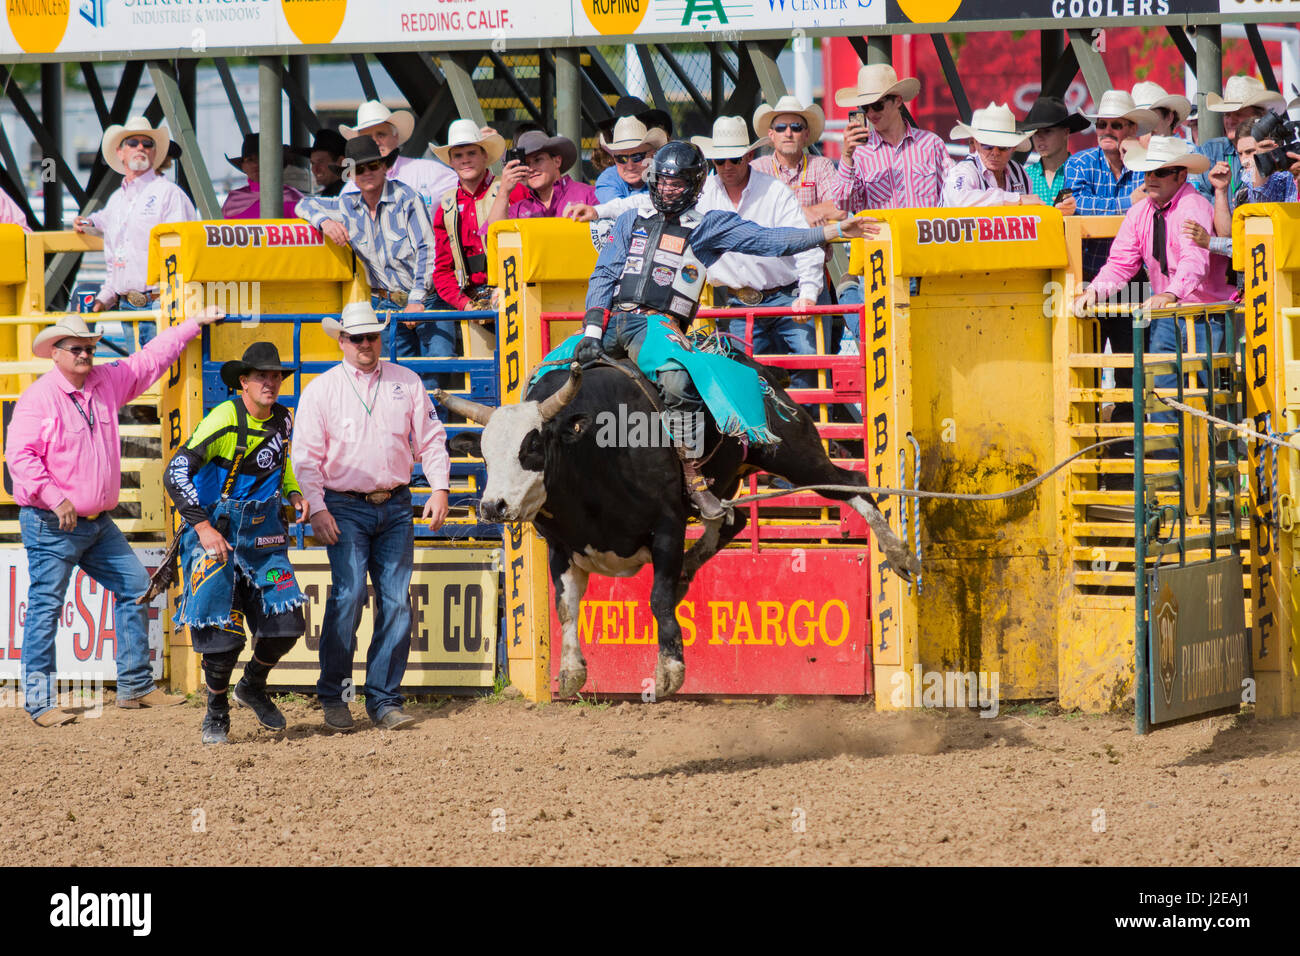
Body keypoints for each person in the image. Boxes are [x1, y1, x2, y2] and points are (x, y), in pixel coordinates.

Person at [572, 141, 879, 519]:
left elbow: (772, 240)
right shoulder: (628, 220)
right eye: (663, 181)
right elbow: (605, 272)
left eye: (678, 183)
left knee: (675, 382)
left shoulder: (709, 226)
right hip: (612, 319)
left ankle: (693, 478)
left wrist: (832, 232)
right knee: (552, 374)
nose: (668, 189)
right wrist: (590, 329)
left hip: (657, 326)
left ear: (695, 186)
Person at [5, 308, 225, 726]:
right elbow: (21, 458)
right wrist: (56, 497)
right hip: (54, 521)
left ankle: (135, 685)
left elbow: (149, 361)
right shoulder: (38, 399)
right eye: (78, 348)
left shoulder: (103, 382)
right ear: (56, 353)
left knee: (136, 587)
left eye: (90, 346)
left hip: (93, 522)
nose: (87, 353)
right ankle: (39, 702)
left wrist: (190, 325)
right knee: (46, 607)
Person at [292, 302, 450, 731]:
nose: (365, 344)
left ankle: (383, 699)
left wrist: (439, 486)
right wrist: (318, 506)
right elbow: (305, 457)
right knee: (349, 599)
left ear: (380, 338)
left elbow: (432, 438)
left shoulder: (407, 382)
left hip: (396, 502)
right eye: (357, 338)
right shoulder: (322, 391)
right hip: (344, 505)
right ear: (342, 341)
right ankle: (337, 696)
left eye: (371, 336)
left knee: (396, 601)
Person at [164, 342, 308, 745]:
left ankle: (253, 685)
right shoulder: (223, 419)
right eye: (262, 375)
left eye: (276, 375)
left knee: (286, 623)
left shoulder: (283, 419)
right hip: (218, 536)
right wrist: (203, 528)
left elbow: (283, 464)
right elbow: (176, 472)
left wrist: (294, 493)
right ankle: (216, 709)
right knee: (222, 635)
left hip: (264, 538)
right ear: (242, 382)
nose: (271, 382)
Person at [1072, 137, 1235, 463]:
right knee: (1164, 394)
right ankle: (1172, 474)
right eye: (1148, 171)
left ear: (1180, 175)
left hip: (1206, 315)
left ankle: (1210, 474)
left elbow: (1195, 260)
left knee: (1207, 395)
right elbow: (1120, 263)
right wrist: (1094, 290)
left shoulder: (1193, 206)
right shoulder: (1140, 213)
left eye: (1160, 172)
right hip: (1172, 313)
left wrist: (1170, 293)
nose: (1151, 178)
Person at [296, 137, 450, 388]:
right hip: (386, 303)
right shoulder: (347, 205)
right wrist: (324, 222)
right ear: (351, 175)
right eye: (360, 169)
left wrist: (416, 300)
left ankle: (436, 427)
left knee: (436, 374)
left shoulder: (407, 197)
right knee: (396, 380)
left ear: (385, 167)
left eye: (373, 166)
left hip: (426, 301)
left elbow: (427, 248)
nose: (367, 173)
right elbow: (304, 203)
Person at [692, 116, 825, 387]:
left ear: (749, 155)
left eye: (735, 159)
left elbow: (804, 244)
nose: (727, 166)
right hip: (738, 302)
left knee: (808, 362)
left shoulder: (775, 191)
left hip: (787, 298)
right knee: (744, 374)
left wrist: (808, 295)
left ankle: (811, 428)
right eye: (720, 161)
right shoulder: (703, 194)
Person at [73, 117, 197, 346]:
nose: (140, 147)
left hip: (162, 304)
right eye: (133, 142)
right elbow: (114, 257)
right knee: (144, 377)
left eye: (147, 143)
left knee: (159, 376)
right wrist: (103, 298)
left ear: (154, 152)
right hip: (129, 307)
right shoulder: (117, 201)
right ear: (120, 152)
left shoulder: (169, 194)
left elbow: (183, 256)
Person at [831, 64, 953, 211]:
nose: (870, 114)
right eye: (865, 107)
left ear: (898, 101)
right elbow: (843, 205)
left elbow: (952, 196)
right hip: (883, 233)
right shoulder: (859, 153)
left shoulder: (931, 144)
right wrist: (846, 155)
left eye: (877, 105)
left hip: (922, 233)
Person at [430, 119, 506, 314]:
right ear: (451, 162)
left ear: (484, 155)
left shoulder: (510, 190)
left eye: (471, 153)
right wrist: (465, 305)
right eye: (458, 155)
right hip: (472, 301)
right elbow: (442, 270)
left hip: (512, 293)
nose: (465, 160)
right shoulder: (446, 208)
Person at [339, 100, 456, 218]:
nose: (376, 142)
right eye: (368, 138)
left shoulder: (431, 171)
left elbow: (469, 194)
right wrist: (321, 219)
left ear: (396, 136)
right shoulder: (352, 187)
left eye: (381, 135)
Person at [750, 95, 843, 229]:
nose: (788, 133)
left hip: (814, 249)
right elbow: (752, 213)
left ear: (806, 134)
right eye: (781, 127)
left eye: (796, 127)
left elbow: (839, 208)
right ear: (771, 134)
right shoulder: (758, 168)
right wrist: (803, 213)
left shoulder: (821, 166)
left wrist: (782, 215)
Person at [1190, 75, 1285, 203]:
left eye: (1238, 113)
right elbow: (1198, 199)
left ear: (1260, 116)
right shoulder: (1210, 151)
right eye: (1226, 114)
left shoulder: (1274, 151)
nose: (1230, 120)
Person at [942, 103, 1046, 207]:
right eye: (987, 146)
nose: (995, 153)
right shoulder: (963, 170)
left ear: (1014, 147)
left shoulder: (1019, 172)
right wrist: (1017, 199)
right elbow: (959, 199)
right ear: (976, 144)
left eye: (1003, 147)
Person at [487, 131, 596, 224]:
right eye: (526, 163)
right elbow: (493, 236)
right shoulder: (519, 209)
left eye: (538, 160)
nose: (531, 168)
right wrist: (504, 191)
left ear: (557, 161)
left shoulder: (589, 195)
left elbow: (611, 238)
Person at [1020, 94, 1088, 210]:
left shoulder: (1084, 173)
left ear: (1066, 133)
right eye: (1036, 132)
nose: (1040, 138)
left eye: (1047, 131)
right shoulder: (1024, 176)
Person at [220, 133, 305, 219]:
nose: (255, 164)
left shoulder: (293, 198)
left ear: (276, 163)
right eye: (250, 160)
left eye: (261, 158)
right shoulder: (233, 200)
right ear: (243, 167)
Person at [594, 116, 667, 203]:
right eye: (621, 158)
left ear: (652, 155)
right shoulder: (608, 178)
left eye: (637, 157)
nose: (630, 166)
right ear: (614, 158)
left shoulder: (666, 176)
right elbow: (617, 210)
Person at [308, 128, 347, 198]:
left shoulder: (344, 194)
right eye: (312, 163)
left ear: (341, 162)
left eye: (320, 162)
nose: (315, 169)